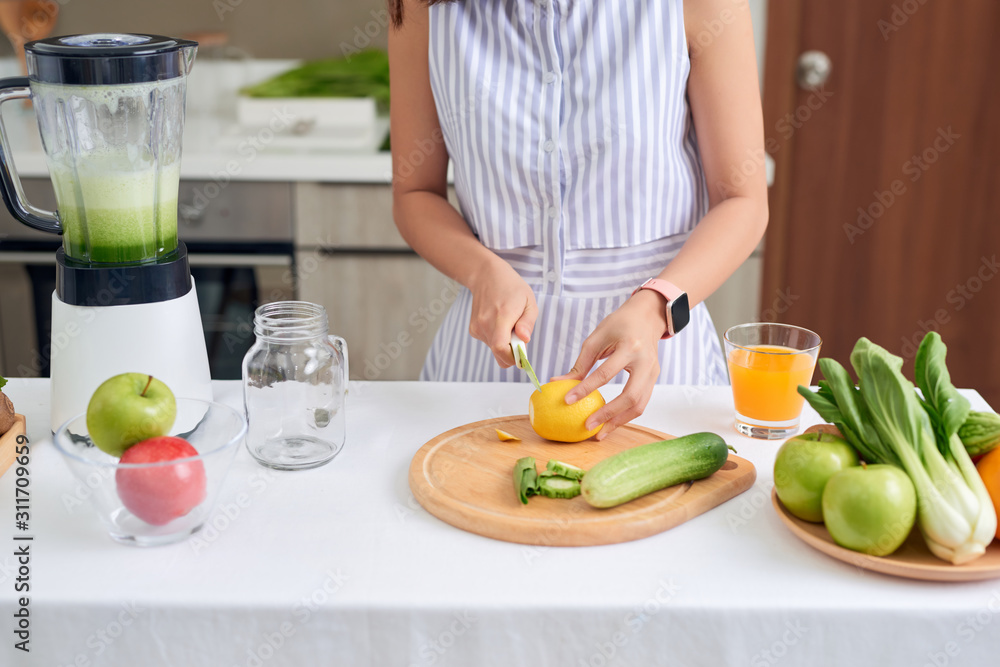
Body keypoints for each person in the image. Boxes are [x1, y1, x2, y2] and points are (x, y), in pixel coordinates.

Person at [388, 0, 768, 439]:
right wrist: (481, 270)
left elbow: (742, 200)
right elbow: (414, 193)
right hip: (483, 370)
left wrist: (654, 308)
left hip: (659, 368)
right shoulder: (424, 9)